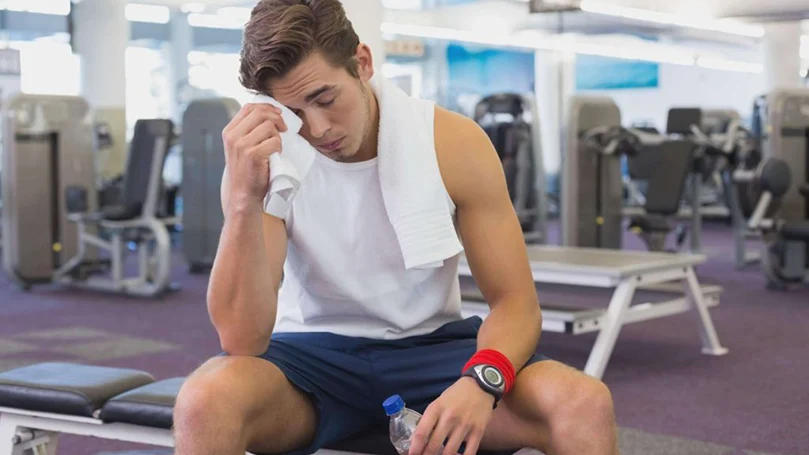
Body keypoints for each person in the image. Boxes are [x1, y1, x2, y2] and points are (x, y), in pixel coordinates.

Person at [173, 1, 619, 454]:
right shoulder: (265, 160)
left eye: (326, 99)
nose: (318, 129)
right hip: (310, 361)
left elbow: (516, 305)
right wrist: (245, 200)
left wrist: (483, 380)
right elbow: (241, 339)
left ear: (362, 64)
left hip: (434, 353)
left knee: (583, 403)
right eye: (295, 113)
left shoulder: (452, 142)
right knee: (204, 401)